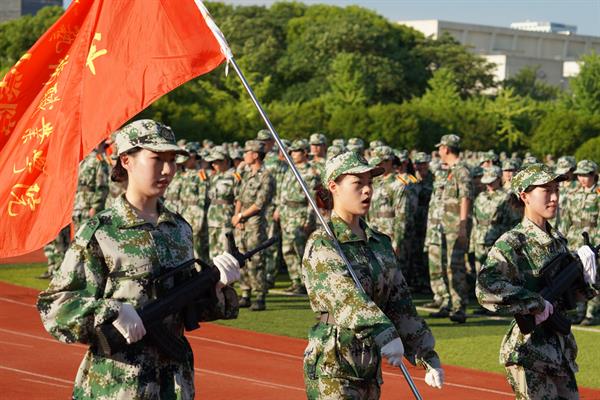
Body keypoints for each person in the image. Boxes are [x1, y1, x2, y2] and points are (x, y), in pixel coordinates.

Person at [37, 120, 241, 399]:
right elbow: (56, 307)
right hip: (117, 385)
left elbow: (187, 309)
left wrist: (216, 287)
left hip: (173, 384)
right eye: (157, 159)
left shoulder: (179, 229)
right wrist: (112, 311)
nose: (167, 170)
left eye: (172, 160)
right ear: (126, 160)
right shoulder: (102, 231)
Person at [302, 151, 444, 399]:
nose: (367, 190)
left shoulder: (379, 243)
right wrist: (385, 333)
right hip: (334, 367)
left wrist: (426, 354)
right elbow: (346, 298)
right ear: (334, 187)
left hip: (368, 367)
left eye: (370, 183)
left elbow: (400, 305)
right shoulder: (324, 244)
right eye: (358, 183)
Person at [476, 164, 598, 400]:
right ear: (525, 196)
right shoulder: (513, 242)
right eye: (546, 191)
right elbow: (485, 287)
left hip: (560, 352)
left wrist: (589, 278)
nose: (554, 198)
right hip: (529, 354)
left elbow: (571, 296)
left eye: (556, 190)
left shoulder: (557, 240)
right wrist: (534, 302)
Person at [427, 134, 473, 323]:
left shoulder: (462, 170)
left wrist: (463, 225)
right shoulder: (449, 171)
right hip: (443, 226)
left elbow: (465, 198)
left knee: (455, 267)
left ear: (446, 148)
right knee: (444, 266)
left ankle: (459, 307)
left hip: (455, 226)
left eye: (440, 148)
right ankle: (448, 303)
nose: (439, 151)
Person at [233, 140, 276, 311]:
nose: (244, 155)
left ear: (255, 154)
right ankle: (246, 292)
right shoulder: (245, 173)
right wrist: (237, 216)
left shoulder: (266, 176)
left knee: (256, 259)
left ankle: (259, 295)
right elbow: (239, 197)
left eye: (247, 152)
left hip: (255, 222)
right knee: (241, 256)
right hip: (242, 221)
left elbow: (259, 204)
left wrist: (241, 215)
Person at [561, 160, 600, 326]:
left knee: (594, 277)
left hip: (593, 241)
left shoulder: (598, 194)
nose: (582, 179)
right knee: (577, 277)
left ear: (594, 175)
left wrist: (597, 243)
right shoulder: (573, 194)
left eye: (585, 175)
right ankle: (578, 311)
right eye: (579, 175)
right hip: (574, 240)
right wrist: (562, 238)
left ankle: (592, 313)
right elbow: (566, 219)